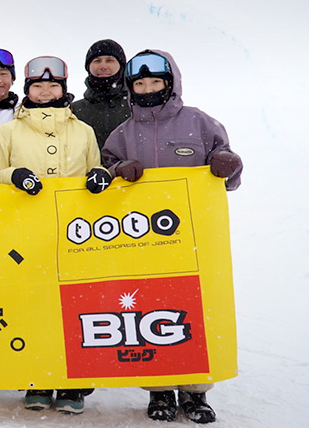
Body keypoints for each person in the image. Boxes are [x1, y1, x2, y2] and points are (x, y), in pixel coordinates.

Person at [102, 49, 242, 425]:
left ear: (170, 84)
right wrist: (118, 168)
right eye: (140, 83)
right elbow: (103, 168)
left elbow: (226, 169)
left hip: (193, 239)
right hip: (142, 241)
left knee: (194, 311)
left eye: (156, 82)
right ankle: (160, 388)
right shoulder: (124, 132)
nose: (148, 89)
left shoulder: (198, 121)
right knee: (150, 310)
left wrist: (229, 167)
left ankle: (196, 392)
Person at [0, 55, 112, 415]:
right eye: (38, 86)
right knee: (33, 304)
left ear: (63, 89)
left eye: (52, 85)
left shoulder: (83, 130)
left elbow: (95, 164)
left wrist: (99, 175)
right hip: (26, 232)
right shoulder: (8, 131)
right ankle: (37, 377)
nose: (45, 91)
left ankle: (73, 384)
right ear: (27, 91)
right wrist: (13, 175)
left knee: (75, 304)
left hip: (75, 233)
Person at [71, 39, 132, 149]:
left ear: (121, 66)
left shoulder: (137, 106)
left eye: (110, 60)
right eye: (97, 61)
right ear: (89, 67)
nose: (103, 66)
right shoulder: (73, 110)